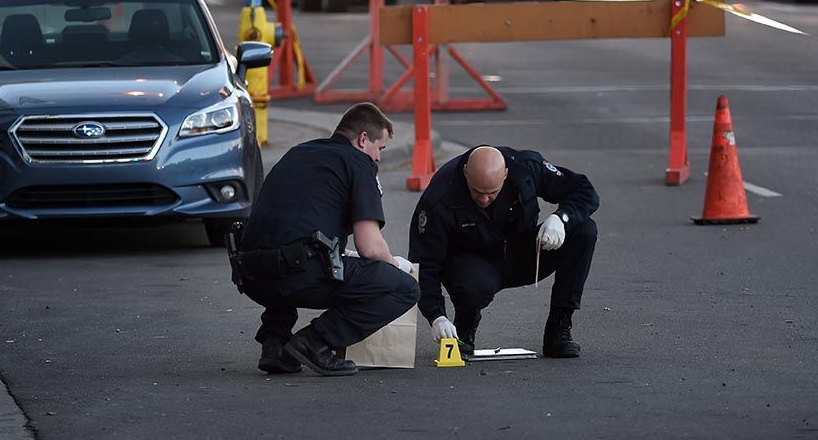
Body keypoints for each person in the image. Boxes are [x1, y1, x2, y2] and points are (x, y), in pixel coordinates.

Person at [237, 103, 418, 377]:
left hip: (250, 275)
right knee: (404, 288)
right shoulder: (358, 164)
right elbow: (369, 246)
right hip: (297, 275)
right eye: (380, 148)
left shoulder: (298, 153)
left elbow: (294, 223)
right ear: (363, 139)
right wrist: (395, 265)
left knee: (289, 245)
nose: (378, 158)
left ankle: (275, 344)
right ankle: (315, 342)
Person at [408, 145, 599, 359]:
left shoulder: (525, 167)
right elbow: (424, 263)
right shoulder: (440, 196)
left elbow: (583, 190)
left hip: (522, 253)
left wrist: (562, 218)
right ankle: (465, 325)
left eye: (491, 193)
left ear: (505, 175)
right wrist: (436, 316)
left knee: (584, 230)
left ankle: (559, 328)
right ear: (465, 173)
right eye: (477, 192)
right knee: (469, 283)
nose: (483, 200)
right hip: (474, 266)